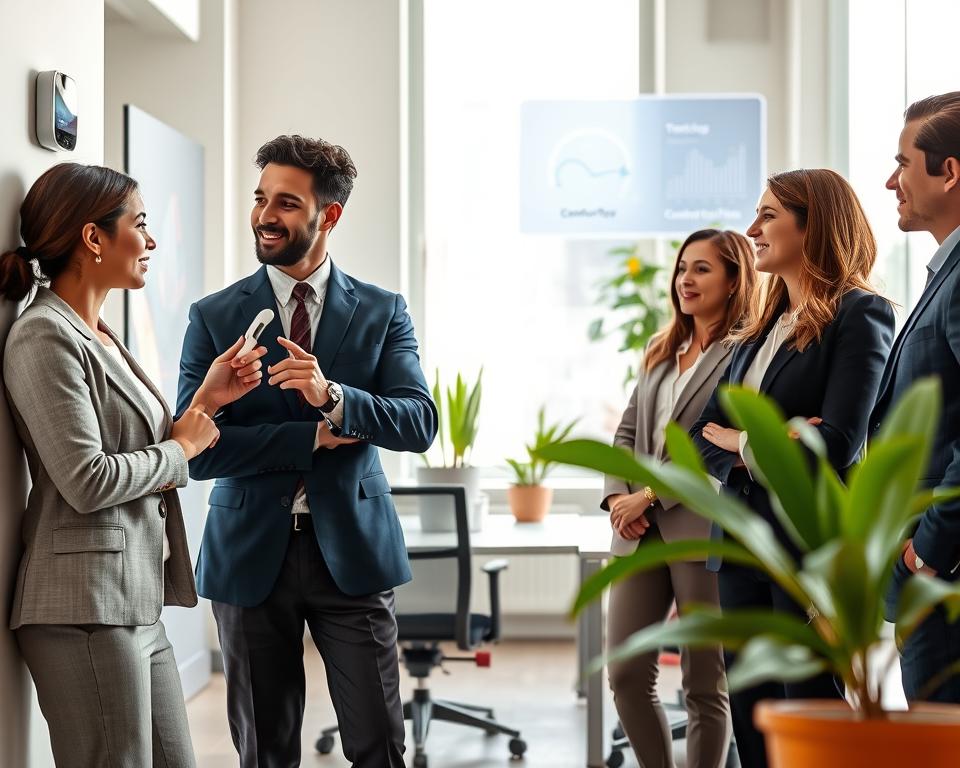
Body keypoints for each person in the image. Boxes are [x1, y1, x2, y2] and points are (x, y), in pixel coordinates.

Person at [176, 135, 437, 768]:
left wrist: (336, 397)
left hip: (351, 551)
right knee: (265, 751)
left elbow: (419, 421)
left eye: (287, 203)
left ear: (330, 214)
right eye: (260, 198)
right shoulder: (215, 316)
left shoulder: (382, 311)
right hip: (249, 553)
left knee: (379, 743)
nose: (265, 215)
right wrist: (308, 438)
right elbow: (195, 448)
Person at [0, 162, 266, 767]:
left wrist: (208, 401)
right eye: (140, 225)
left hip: (134, 601)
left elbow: (148, 438)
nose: (150, 242)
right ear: (93, 238)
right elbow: (86, 479)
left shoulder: (98, 331)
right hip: (83, 608)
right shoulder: (43, 335)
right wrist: (184, 451)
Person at [691, 169, 895, 768]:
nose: (752, 230)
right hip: (740, 539)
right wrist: (771, 438)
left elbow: (835, 442)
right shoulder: (758, 330)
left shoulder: (861, 315)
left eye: (769, 216)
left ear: (815, 227)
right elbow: (703, 436)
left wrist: (742, 441)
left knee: (809, 712)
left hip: (808, 547)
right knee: (753, 715)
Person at [604, 229, 756, 768]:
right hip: (638, 530)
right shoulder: (660, 348)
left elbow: (709, 448)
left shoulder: (743, 354)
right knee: (624, 672)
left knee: (704, 683)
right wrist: (619, 498)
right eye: (682, 268)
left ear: (735, 278)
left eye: (702, 269)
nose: (684, 280)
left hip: (700, 530)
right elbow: (626, 433)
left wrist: (645, 497)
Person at [872, 91, 960, 703]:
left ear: (949, 172)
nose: (890, 180)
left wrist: (928, 552)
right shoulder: (945, 274)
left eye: (903, 163)